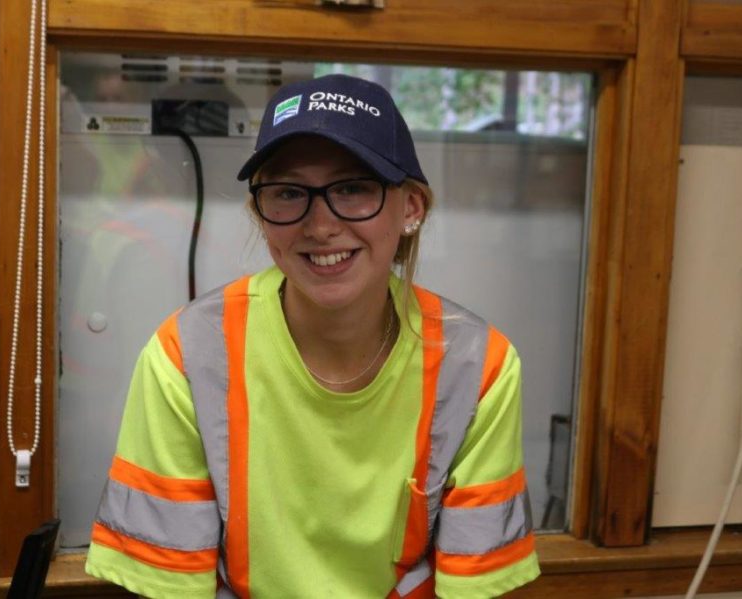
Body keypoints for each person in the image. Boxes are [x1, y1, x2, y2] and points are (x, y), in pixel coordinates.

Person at [85, 73, 540, 598]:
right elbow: (168, 584)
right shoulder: (187, 355)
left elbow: (474, 586)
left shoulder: (478, 366)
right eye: (288, 192)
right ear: (261, 211)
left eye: (352, 188)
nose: (320, 225)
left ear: (411, 207)